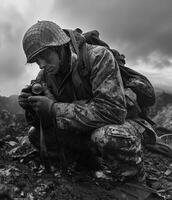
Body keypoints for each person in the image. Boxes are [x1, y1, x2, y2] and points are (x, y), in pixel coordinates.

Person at [18, 21, 156, 182]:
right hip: (84, 128)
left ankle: (133, 181)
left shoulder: (98, 57)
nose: (42, 65)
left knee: (107, 136)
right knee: (35, 134)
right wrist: (31, 107)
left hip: (125, 123)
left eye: (45, 56)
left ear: (60, 47)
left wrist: (54, 109)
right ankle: (86, 167)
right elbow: (45, 122)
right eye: (36, 60)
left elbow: (113, 112)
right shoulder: (45, 76)